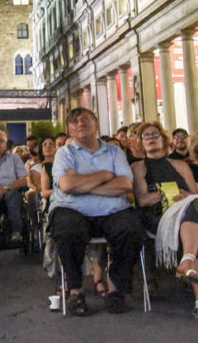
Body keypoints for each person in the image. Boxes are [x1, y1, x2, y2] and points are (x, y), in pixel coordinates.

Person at [49, 108, 145, 316]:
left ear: (96, 124)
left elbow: (125, 184)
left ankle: (115, 289)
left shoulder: (114, 152)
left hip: (113, 210)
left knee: (131, 230)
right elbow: (66, 185)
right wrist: (104, 174)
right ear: (69, 130)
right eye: (74, 122)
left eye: (85, 119)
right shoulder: (64, 154)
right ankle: (76, 291)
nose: (80, 123)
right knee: (67, 231)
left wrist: (82, 183)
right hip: (72, 209)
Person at [131, 121, 198, 326]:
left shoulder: (181, 165)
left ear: (164, 141)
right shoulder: (138, 167)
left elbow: (194, 194)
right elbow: (142, 200)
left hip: (187, 213)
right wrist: (169, 194)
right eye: (146, 136)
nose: (151, 138)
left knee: (194, 207)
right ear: (140, 143)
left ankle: (188, 261)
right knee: (194, 215)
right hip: (158, 216)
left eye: (155, 134)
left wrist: (184, 195)